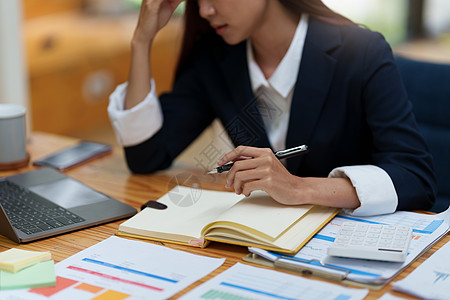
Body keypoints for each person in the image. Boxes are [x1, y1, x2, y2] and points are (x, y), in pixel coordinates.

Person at [108, 0, 437, 216]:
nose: (205, 10)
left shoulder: (361, 51)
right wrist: (141, 40)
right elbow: (146, 156)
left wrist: (298, 187)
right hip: (261, 245)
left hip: (341, 243)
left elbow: (415, 179)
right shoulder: (216, 57)